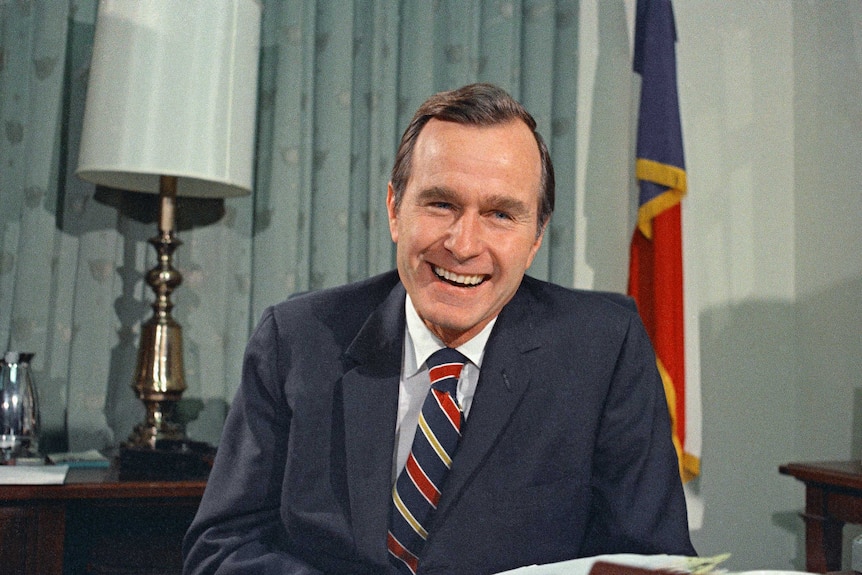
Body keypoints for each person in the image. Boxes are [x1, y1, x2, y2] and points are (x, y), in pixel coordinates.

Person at [183, 83, 695, 575]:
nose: (464, 243)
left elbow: (649, 560)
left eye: (500, 214)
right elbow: (222, 549)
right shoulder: (296, 340)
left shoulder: (603, 349)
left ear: (536, 237)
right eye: (441, 204)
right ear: (394, 210)